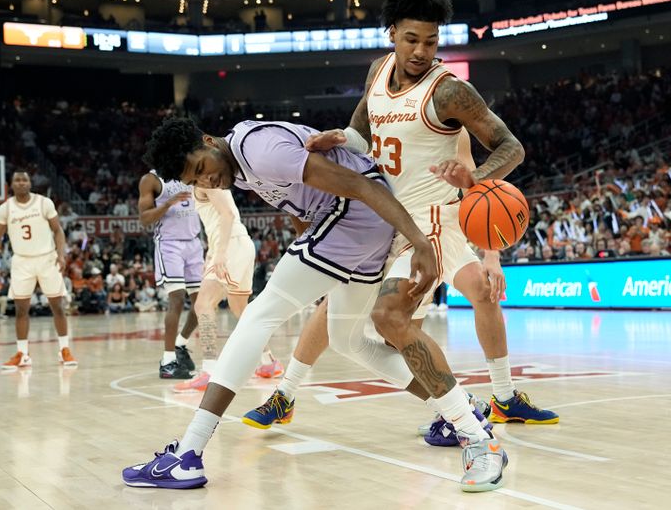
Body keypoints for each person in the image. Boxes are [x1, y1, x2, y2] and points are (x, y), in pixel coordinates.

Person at [247, 0, 557, 489]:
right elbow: (362, 132)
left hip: (430, 220)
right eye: (412, 39)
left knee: (390, 316)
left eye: (430, 42)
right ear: (392, 34)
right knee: (342, 318)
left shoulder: (450, 89)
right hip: (381, 221)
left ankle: (480, 438)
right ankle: (455, 407)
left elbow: (511, 146)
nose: (420, 51)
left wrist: (476, 179)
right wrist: (336, 140)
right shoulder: (378, 71)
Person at [122, 116, 442, 490]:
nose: (206, 181)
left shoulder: (259, 150)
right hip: (354, 223)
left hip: (355, 214)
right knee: (347, 340)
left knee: (259, 313)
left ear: (209, 141)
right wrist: (316, 263)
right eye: (195, 181)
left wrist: (419, 242)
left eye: (200, 169)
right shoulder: (238, 168)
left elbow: (357, 184)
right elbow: (297, 206)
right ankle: (453, 411)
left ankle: (189, 453)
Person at [173, 187, 284, 393]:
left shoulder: (204, 179)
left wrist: (220, 253)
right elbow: (217, 220)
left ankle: (209, 371)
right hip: (238, 244)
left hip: (231, 246)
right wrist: (213, 252)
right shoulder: (206, 177)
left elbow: (228, 214)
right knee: (241, 311)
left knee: (204, 304)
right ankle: (268, 361)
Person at [0, 170, 77, 369]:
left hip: (47, 259)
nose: (21, 183)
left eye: (24, 179)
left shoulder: (44, 203)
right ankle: (22, 353)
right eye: (17, 180)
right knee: (21, 310)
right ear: (11, 184)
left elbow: (58, 230)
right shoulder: (5, 208)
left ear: (30, 183)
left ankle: (64, 350)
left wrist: (61, 255)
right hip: (22, 261)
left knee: (57, 306)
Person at [138, 170, 202, 378]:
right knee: (176, 299)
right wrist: (166, 204)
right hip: (169, 244)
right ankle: (167, 362)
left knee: (203, 304)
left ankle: (180, 345)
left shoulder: (193, 172)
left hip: (194, 242)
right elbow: (144, 219)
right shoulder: (151, 180)